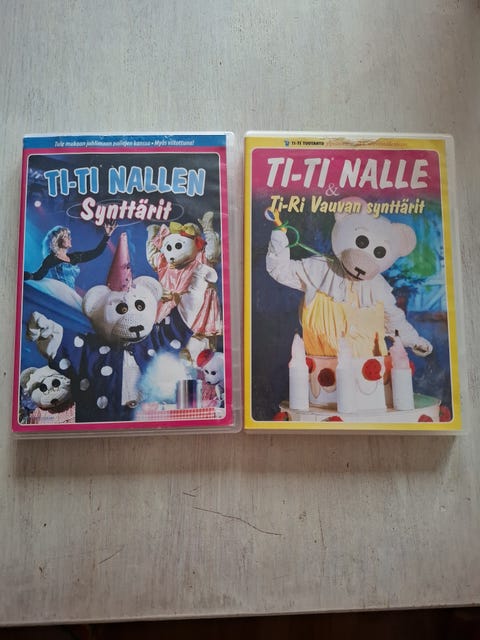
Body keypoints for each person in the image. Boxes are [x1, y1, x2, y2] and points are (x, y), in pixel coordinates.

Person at [24, 222, 116, 289]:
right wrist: (25, 275)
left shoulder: (74, 257)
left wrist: (107, 235)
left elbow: (96, 252)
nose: (70, 239)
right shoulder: (51, 259)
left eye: (69, 236)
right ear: (58, 240)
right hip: (58, 294)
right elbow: (38, 276)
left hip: (70, 295)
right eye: (66, 237)